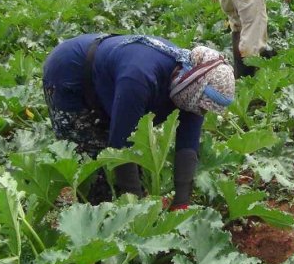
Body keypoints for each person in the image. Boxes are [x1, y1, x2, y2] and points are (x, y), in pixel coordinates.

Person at [42, 33, 235, 208]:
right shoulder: (141, 78)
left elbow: (188, 146)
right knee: (99, 174)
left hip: (110, 80)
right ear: (195, 89)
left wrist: (181, 202)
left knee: (136, 175)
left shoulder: (191, 85)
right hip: (68, 72)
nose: (202, 111)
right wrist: (135, 210)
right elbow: (121, 146)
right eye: (202, 106)